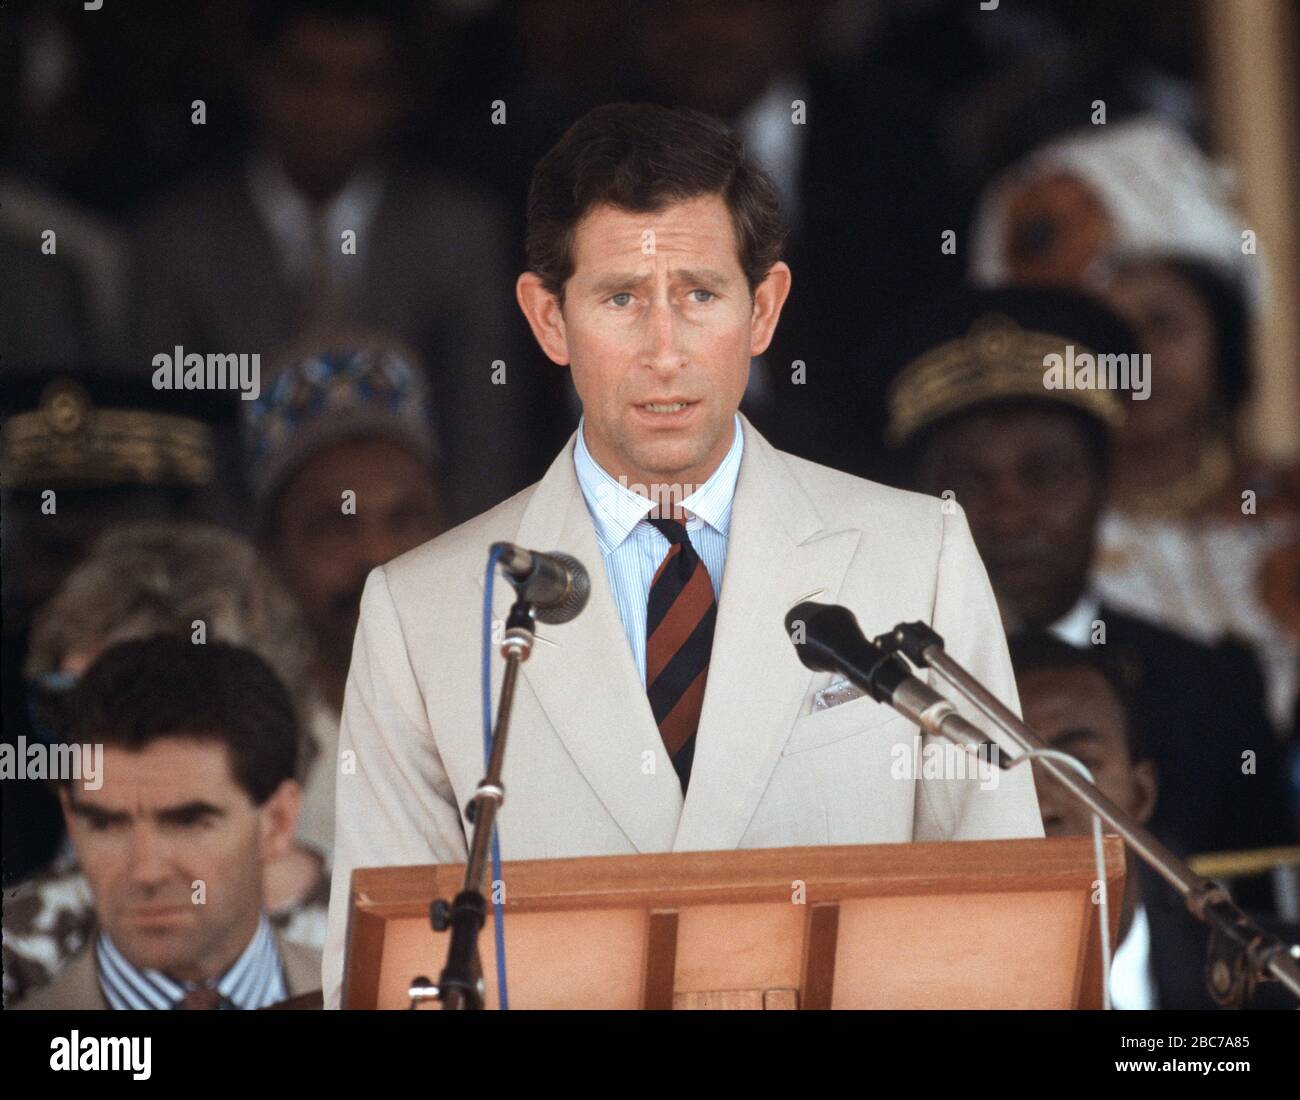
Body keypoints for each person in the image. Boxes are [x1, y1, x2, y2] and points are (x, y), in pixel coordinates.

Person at [323, 103, 1043, 1007]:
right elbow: (389, 978)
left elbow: (1003, 925)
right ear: (549, 320)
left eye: (700, 295)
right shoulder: (421, 609)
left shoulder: (916, 551)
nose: (664, 351)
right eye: (620, 299)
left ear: (764, 308)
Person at [887, 288, 1295, 863]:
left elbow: (1256, 917)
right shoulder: (873, 694)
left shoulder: (1211, 694)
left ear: (1104, 486)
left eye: (1045, 474)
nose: (1009, 515)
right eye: (969, 484)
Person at [3, 519, 331, 1007]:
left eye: (157, 701)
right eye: (66, 705)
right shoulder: (19, 939)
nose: (92, 738)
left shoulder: (380, 927)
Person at [1010, 632, 1299, 1010]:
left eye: (1078, 765)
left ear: (1141, 794)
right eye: (1004, 768)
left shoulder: (1276, 975)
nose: (1042, 804)